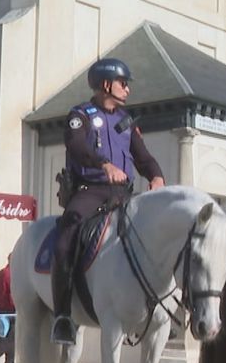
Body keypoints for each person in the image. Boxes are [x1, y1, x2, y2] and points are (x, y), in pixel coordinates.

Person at [51, 58, 165, 345]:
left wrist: (156, 176)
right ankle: (63, 316)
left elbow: (144, 157)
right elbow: (76, 147)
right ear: (106, 84)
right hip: (90, 191)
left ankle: (157, 308)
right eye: (122, 83)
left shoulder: (127, 122)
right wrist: (103, 165)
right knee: (65, 237)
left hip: (124, 194)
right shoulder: (81, 116)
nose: (127, 88)